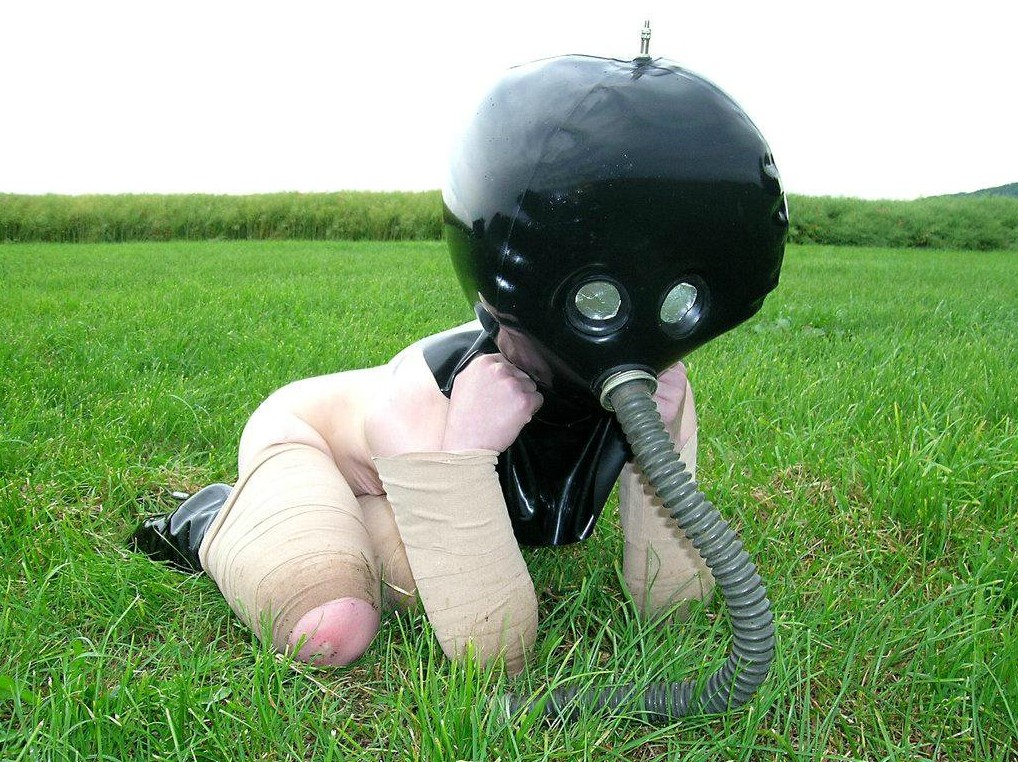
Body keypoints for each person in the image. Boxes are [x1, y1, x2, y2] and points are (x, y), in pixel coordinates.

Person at [131, 52, 787, 675]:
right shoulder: (428, 399)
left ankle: (355, 523)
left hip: (398, 488)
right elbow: (491, 650)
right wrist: (466, 451)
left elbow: (673, 603)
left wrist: (659, 448)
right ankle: (215, 516)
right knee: (331, 626)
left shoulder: (657, 385)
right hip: (314, 443)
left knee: (428, 583)